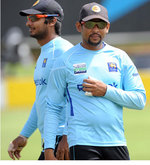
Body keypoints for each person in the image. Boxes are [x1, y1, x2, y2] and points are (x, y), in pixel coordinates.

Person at [43, 2, 146, 160]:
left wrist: (106, 91)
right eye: (90, 24)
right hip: (82, 142)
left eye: (100, 24)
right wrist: (49, 148)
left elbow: (140, 100)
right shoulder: (65, 61)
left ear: (107, 27)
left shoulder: (120, 57)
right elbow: (52, 107)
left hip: (116, 141)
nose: (95, 29)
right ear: (79, 26)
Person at [8, 0, 73, 160]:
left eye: (34, 18)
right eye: (28, 18)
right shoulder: (45, 52)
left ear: (52, 21)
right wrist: (24, 135)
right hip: (52, 141)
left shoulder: (63, 52)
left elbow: (78, 99)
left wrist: (66, 137)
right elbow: (42, 100)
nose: (28, 23)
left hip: (65, 143)